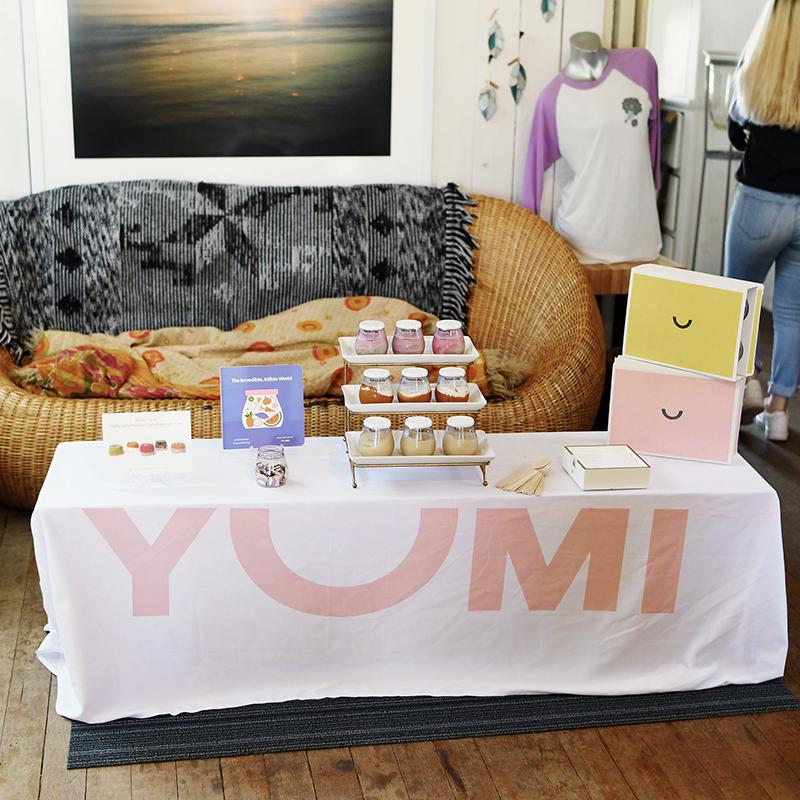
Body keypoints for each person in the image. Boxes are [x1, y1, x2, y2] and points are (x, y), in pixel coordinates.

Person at [724, 0, 800, 442]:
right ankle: (779, 413)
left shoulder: (755, 70)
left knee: (740, 301)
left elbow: (737, 134)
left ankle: (747, 383)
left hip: (759, 203)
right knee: (791, 313)